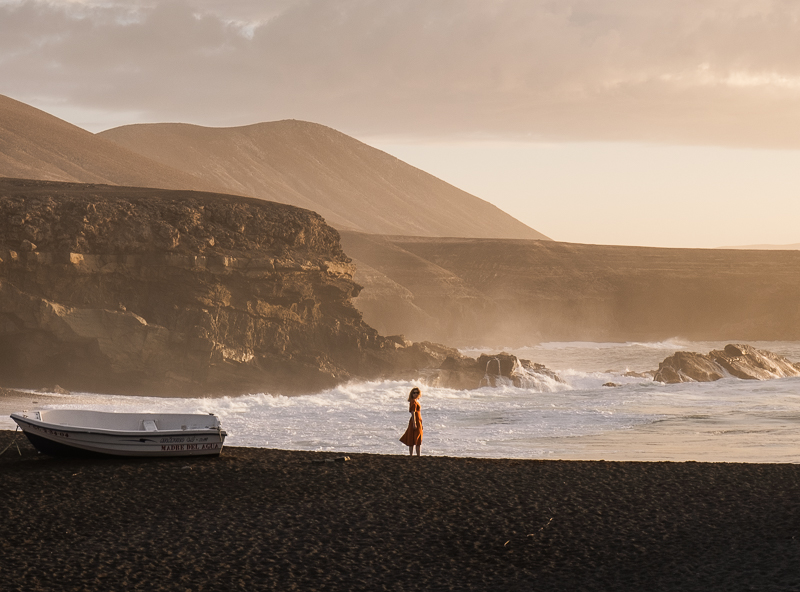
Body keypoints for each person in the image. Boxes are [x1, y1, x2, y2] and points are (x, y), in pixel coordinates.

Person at [399, 387, 423, 456]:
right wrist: (414, 422)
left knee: (414, 437)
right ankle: (415, 455)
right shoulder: (413, 402)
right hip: (415, 420)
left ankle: (413, 455)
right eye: (414, 393)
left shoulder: (416, 401)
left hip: (418, 420)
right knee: (414, 438)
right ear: (411, 394)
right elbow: (413, 412)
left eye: (417, 393)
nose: (415, 394)